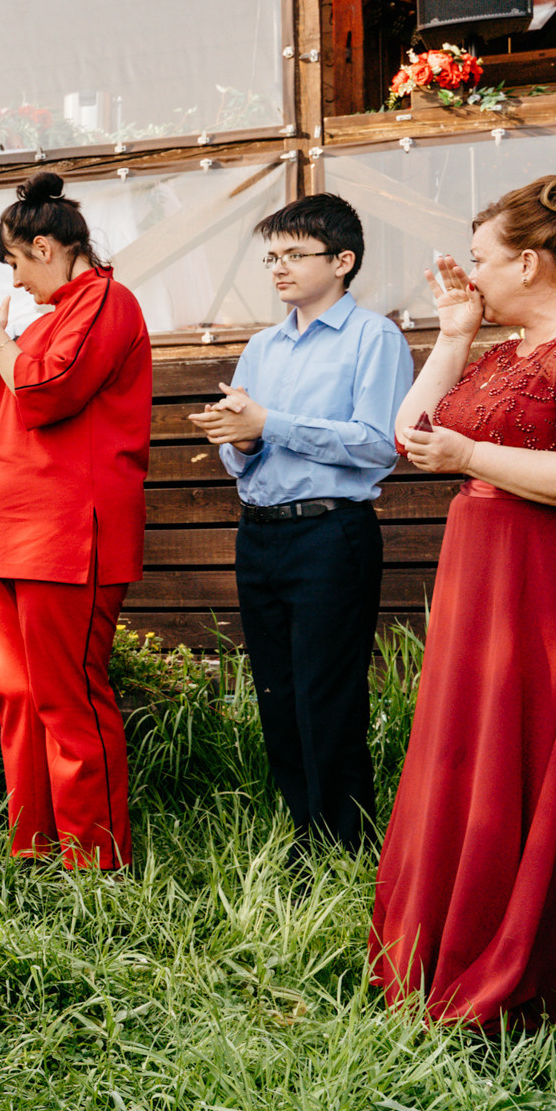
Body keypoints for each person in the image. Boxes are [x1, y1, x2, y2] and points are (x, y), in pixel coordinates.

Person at [371, 171, 556, 1026]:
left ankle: (532, 962)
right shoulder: (508, 350)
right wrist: (454, 335)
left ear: (529, 262)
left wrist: (470, 459)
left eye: (481, 259)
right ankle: (452, 939)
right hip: (488, 576)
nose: (471, 274)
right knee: (473, 752)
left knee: (530, 757)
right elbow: (412, 436)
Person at [0, 171, 152, 871]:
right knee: (16, 698)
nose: (17, 280)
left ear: (46, 247)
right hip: (11, 531)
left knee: (67, 698)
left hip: (68, 535)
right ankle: (35, 849)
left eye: (17, 262)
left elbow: (47, 390)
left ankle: (95, 860)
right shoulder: (43, 320)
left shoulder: (108, 302)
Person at [188, 194, 412, 854]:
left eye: (294, 254)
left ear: (342, 261)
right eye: (271, 257)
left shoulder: (374, 337)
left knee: (327, 695)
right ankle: (303, 836)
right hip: (259, 532)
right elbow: (240, 454)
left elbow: (379, 443)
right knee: (278, 695)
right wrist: (243, 439)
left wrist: (270, 424)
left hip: (330, 534)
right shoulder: (262, 346)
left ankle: (345, 846)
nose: (279, 268)